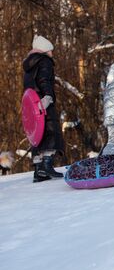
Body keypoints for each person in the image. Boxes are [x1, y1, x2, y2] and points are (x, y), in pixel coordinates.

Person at [23, 35, 65, 182]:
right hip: (43, 103)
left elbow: (28, 86)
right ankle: (47, 164)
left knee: (37, 135)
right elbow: (43, 80)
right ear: (45, 50)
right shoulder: (44, 61)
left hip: (32, 105)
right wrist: (47, 96)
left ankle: (38, 169)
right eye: (50, 50)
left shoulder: (28, 64)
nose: (52, 54)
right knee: (50, 131)